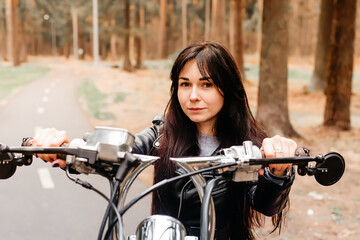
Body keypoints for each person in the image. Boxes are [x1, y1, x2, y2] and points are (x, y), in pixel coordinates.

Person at [33, 41, 297, 240]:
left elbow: (266, 204)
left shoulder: (250, 144)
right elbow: (116, 152)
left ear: (228, 89)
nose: (193, 95)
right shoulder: (162, 135)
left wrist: (278, 172)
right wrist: (65, 149)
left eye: (206, 84)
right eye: (185, 84)